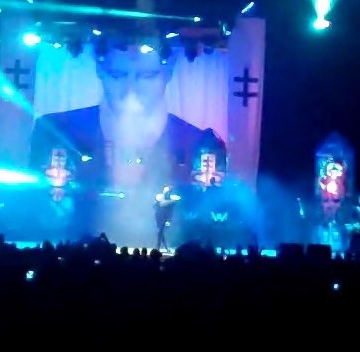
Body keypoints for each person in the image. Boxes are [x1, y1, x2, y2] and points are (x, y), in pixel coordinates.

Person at [29, 34, 223, 247]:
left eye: (147, 76)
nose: (131, 91)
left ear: (169, 70)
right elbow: (35, 212)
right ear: (99, 69)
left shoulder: (199, 142)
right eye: (118, 75)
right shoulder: (55, 130)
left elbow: (209, 219)